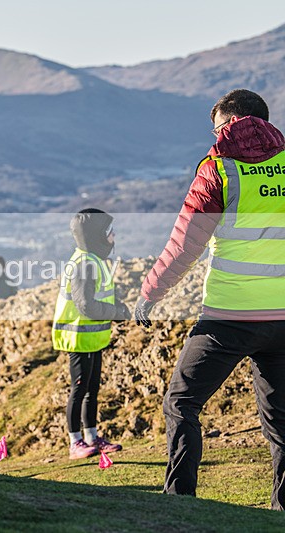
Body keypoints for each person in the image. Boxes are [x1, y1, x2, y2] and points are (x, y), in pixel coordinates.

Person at [134, 89, 285, 509]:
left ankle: (180, 500)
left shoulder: (219, 168)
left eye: (219, 127)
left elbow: (185, 244)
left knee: (182, 401)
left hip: (230, 316)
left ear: (232, 123)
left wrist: (150, 293)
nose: (218, 134)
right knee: (282, 424)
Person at [52, 209, 131, 460]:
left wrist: (118, 309)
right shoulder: (85, 264)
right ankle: (75, 442)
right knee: (79, 390)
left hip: (93, 337)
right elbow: (86, 305)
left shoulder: (94, 260)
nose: (113, 236)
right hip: (79, 338)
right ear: (95, 236)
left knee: (91, 390)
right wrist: (117, 312)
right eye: (108, 232)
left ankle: (91, 437)